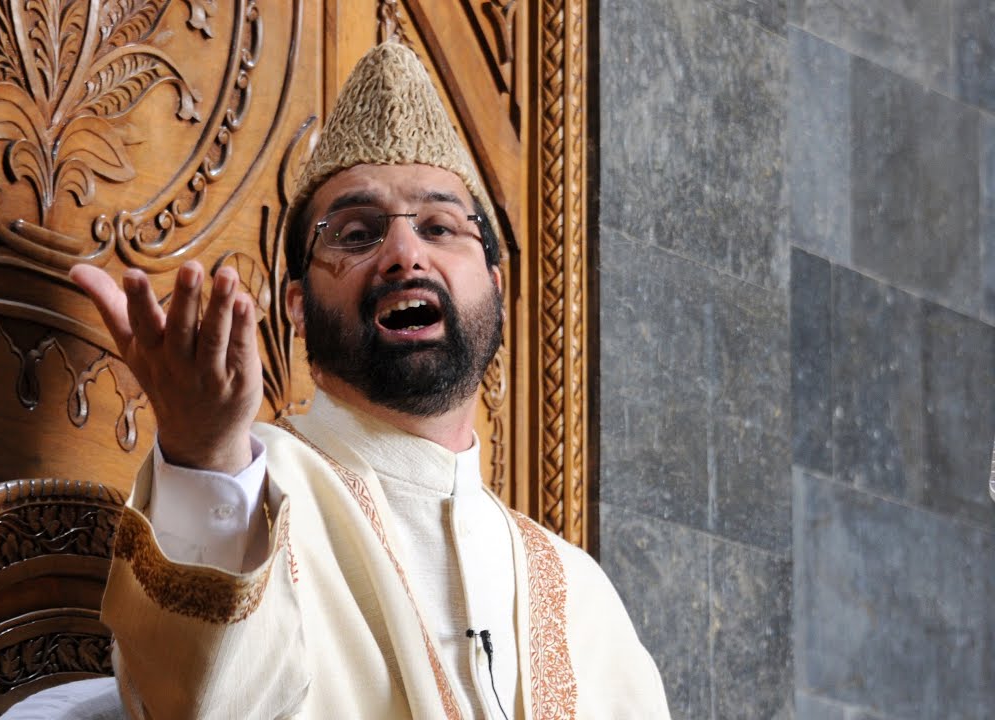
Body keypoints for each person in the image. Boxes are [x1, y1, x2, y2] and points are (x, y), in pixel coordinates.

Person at [67, 42, 669, 720]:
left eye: (441, 226)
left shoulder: (581, 593)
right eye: (357, 234)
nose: (405, 254)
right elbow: (195, 705)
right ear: (296, 303)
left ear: (496, 289)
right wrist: (204, 450)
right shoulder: (253, 489)